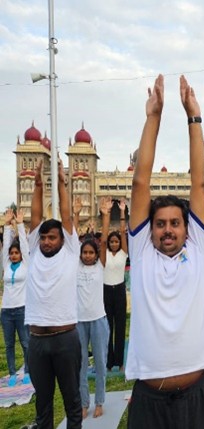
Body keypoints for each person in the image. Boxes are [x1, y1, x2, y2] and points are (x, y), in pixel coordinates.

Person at [125, 75, 204, 428]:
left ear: (187, 228)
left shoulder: (196, 247)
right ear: (149, 230)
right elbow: (140, 181)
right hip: (150, 399)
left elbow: (199, 180)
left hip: (199, 394)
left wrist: (193, 118)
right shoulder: (143, 251)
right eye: (160, 223)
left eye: (175, 223)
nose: (167, 229)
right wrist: (154, 117)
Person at [26, 159, 82, 429]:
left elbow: (67, 216)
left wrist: (61, 182)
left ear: (63, 239)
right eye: (44, 237)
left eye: (52, 237)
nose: (47, 241)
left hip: (65, 339)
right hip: (37, 340)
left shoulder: (71, 251)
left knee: (72, 402)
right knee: (42, 405)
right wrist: (38, 186)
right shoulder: (34, 252)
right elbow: (35, 217)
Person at [74, 196, 111, 419]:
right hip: (79, 322)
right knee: (79, 366)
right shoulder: (76, 266)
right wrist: (76, 214)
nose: (87, 256)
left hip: (98, 320)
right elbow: (71, 241)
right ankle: (84, 403)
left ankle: (99, 402)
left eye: (91, 253)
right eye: (85, 253)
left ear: (96, 255)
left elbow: (104, 241)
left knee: (99, 363)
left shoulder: (100, 266)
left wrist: (105, 215)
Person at [2, 208, 30, 387]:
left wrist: (19, 224)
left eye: (16, 253)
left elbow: (25, 248)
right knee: (9, 345)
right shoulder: (6, 264)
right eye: (11, 253)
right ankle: (12, 373)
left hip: (22, 309)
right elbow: (5, 247)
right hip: (6, 311)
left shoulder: (26, 265)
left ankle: (28, 370)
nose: (13, 255)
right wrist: (6, 226)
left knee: (26, 343)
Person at [103, 198, 128, 372]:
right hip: (105, 292)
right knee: (107, 328)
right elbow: (103, 238)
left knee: (120, 327)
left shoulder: (123, 253)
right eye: (111, 242)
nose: (113, 244)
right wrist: (105, 215)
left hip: (119, 290)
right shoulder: (103, 255)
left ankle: (119, 362)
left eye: (116, 241)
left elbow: (123, 231)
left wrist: (121, 213)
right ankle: (108, 362)